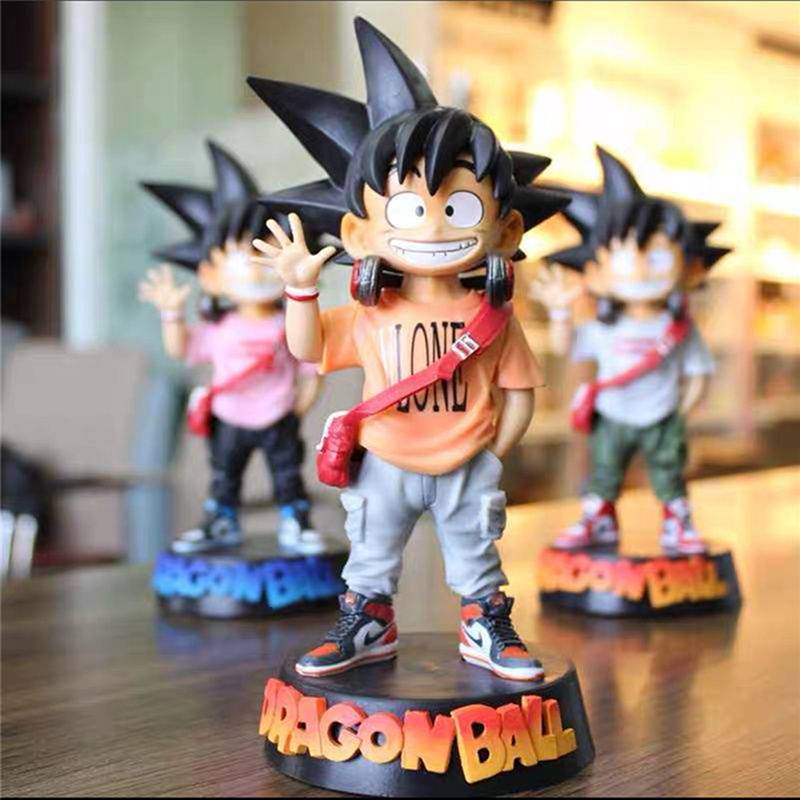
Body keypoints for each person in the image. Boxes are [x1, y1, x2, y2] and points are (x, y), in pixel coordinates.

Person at [246, 18, 567, 680]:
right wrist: (300, 291)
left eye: (460, 209)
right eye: (407, 211)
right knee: (370, 556)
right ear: (358, 233)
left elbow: (518, 396)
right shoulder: (373, 310)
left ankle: (485, 624)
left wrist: (490, 454)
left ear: (507, 229)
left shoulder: (493, 317)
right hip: (385, 463)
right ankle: (368, 622)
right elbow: (308, 348)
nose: (434, 227)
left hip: (465, 464)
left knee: (477, 559)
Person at [532, 146, 730, 555]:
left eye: (656, 258)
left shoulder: (680, 328)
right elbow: (567, 348)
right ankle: (599, 518)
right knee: (604, 471)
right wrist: (560, 313)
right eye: (625, 260)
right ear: (594, 272)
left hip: (662, 416)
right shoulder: (604, 326)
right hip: (613, 415)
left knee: (669, 472)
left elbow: (698, 373)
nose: (640, 270)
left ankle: (677, 522)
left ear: (689, 267)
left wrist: (681, 408)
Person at [139, 141, 323, 555]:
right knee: (225, 475)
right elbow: (182, 349)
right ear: (209, 274)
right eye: (241, 259)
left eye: (265, 259)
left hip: (278, 415)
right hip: (229, 417)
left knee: (286, 474)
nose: (255, 272)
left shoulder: (292, 322)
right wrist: (171, 314)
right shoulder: (218, 326)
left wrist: (297, 408)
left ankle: (295, 521)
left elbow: (312, 367)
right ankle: (221, 521)